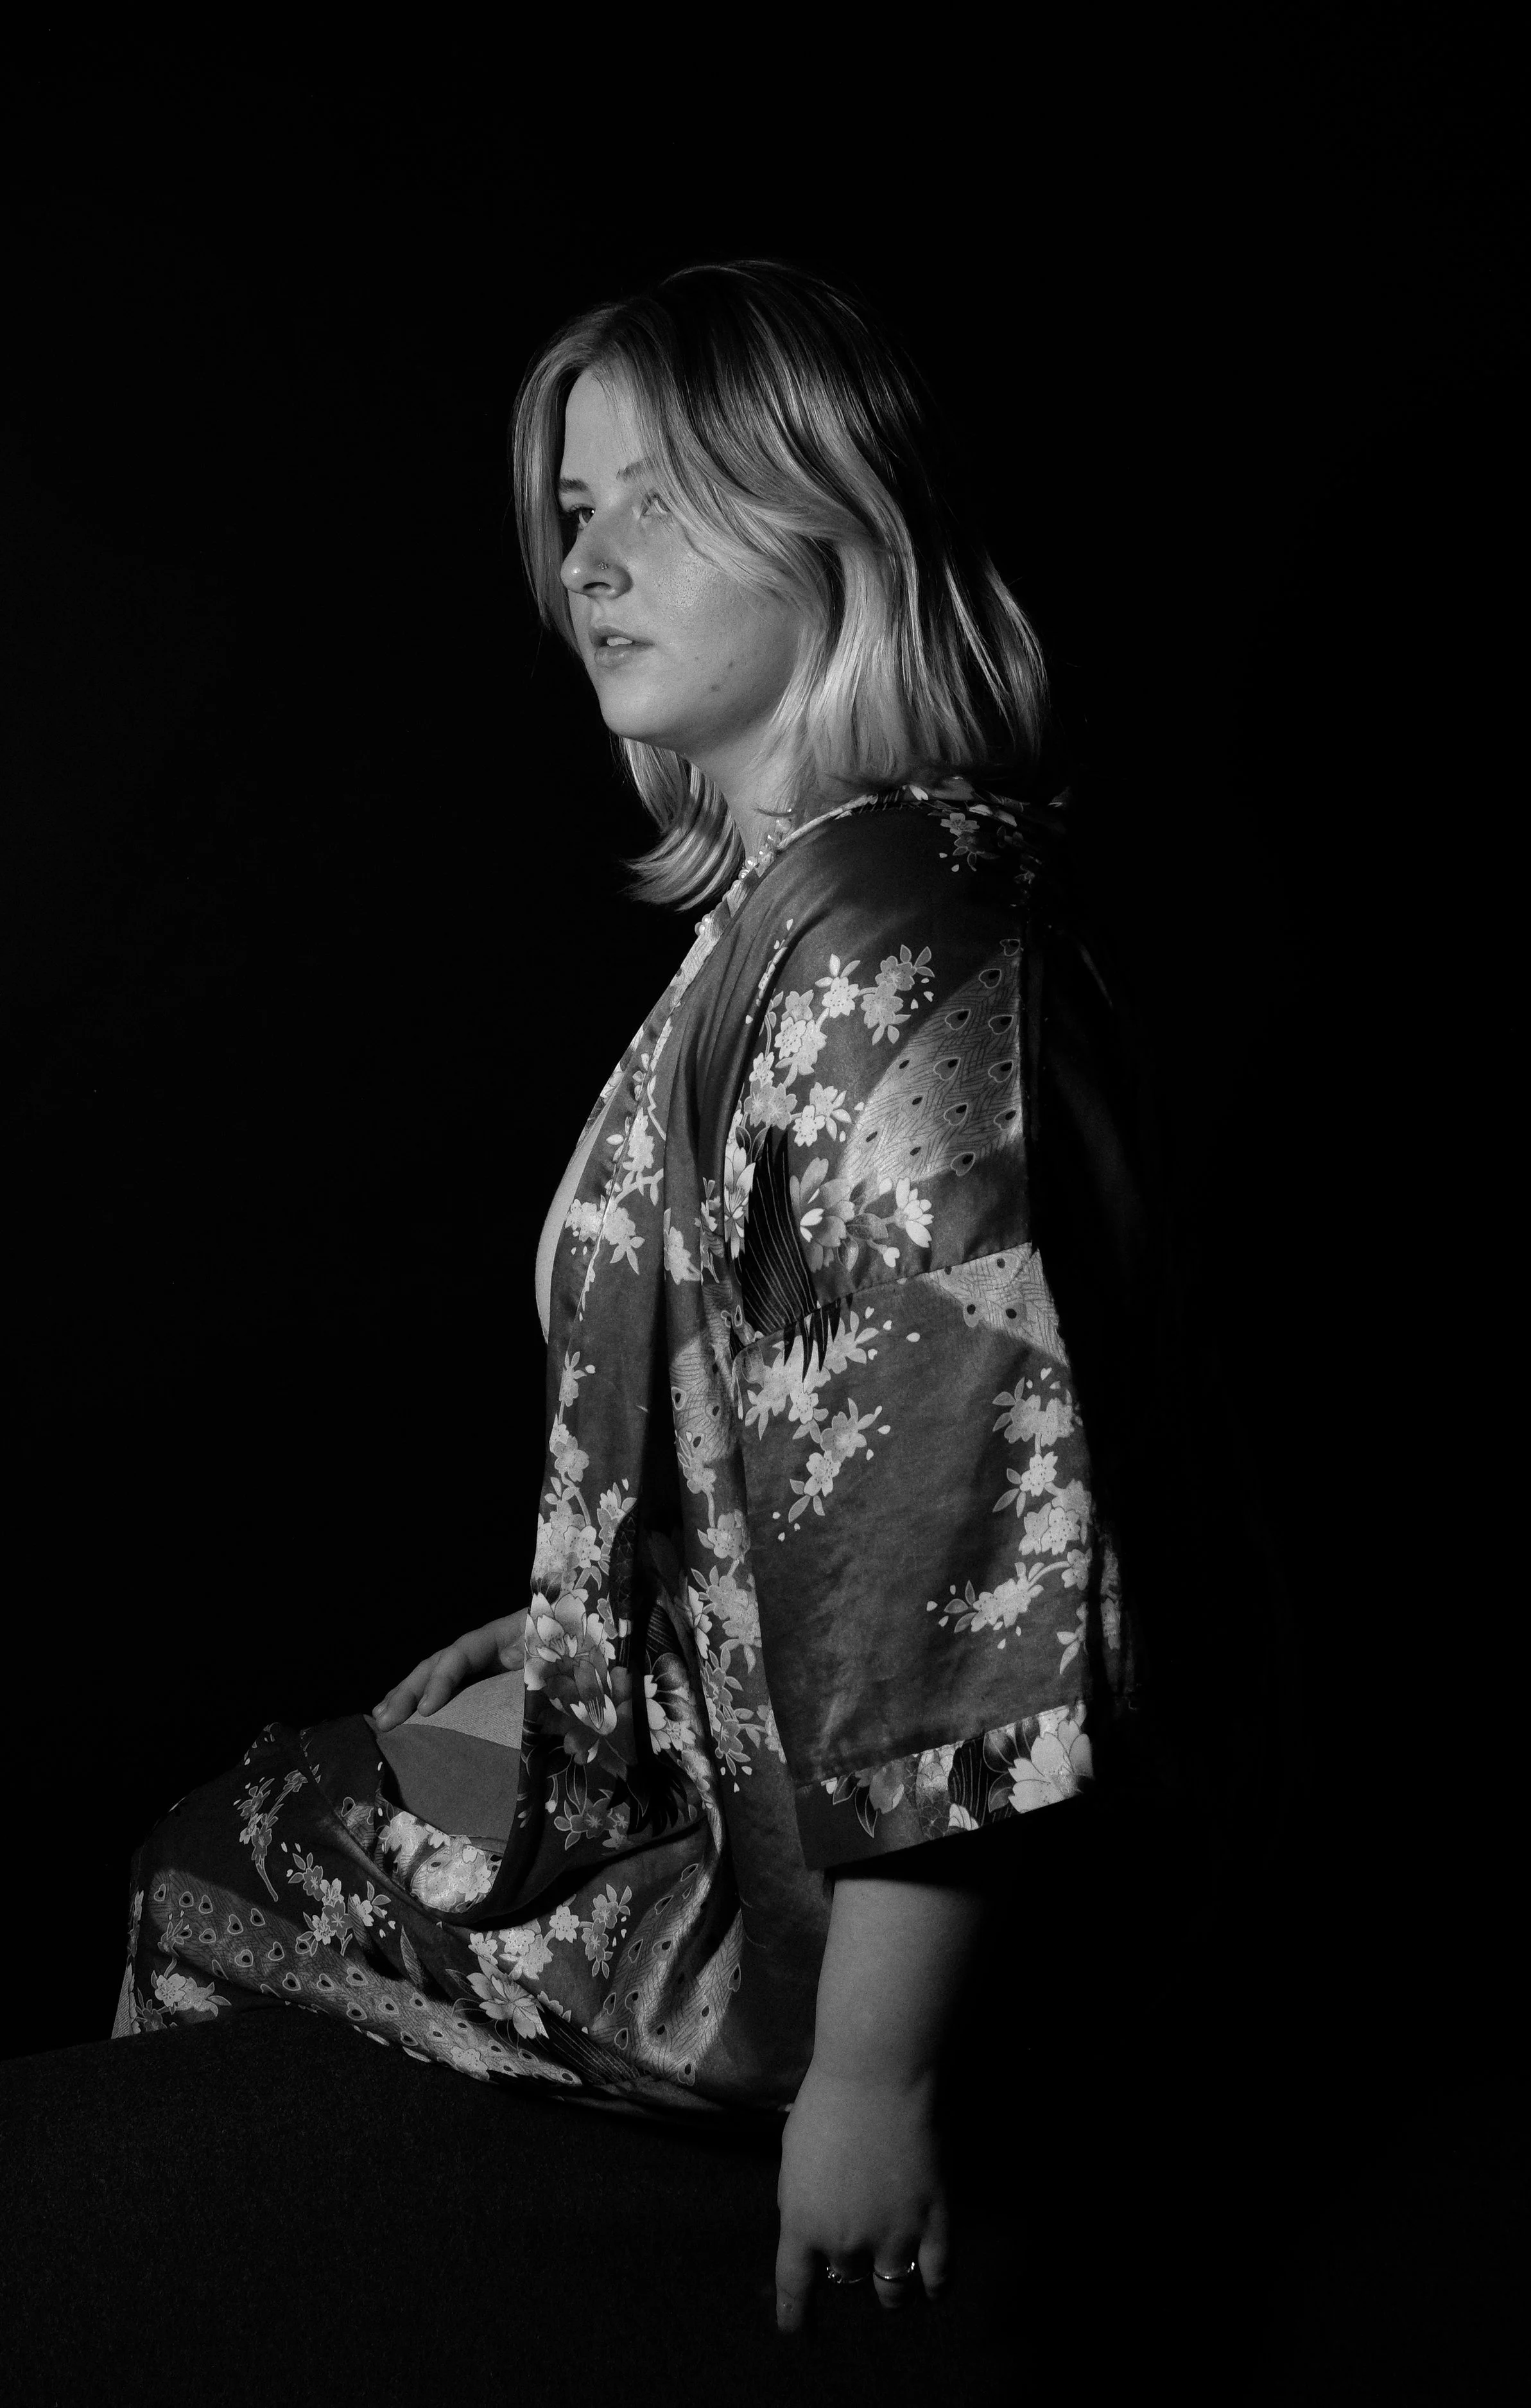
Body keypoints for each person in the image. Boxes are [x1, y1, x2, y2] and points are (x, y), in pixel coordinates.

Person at [116, 261, 1162, 2335]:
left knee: (218, 1859)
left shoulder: (880, 934)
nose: (588, 563)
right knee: (394, 1752)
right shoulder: (822, 895)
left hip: (829, 1926)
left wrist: (871, 2082)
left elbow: (954, 1523)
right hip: (738, 1750)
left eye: (658, 503)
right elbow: (783, 1411)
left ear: (829, 505)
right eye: (575, 514)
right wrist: (598, 1619)